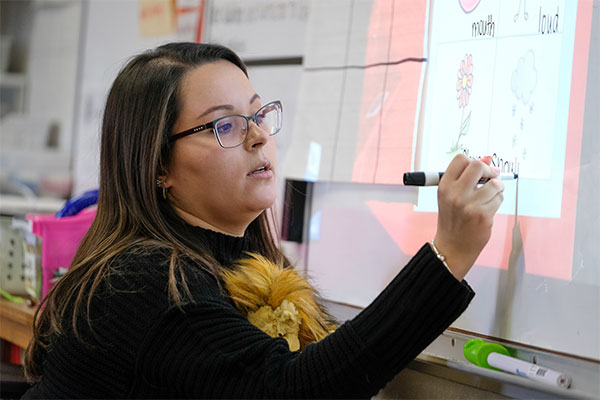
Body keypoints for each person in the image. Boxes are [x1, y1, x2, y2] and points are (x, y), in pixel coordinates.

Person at [22, 42, 504, 398]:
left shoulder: (243, 260)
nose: (257, 137)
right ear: (159, 167)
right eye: (224, 125)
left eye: (258, 114)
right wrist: (447, 257)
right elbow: (291, 392)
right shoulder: (141, 281)